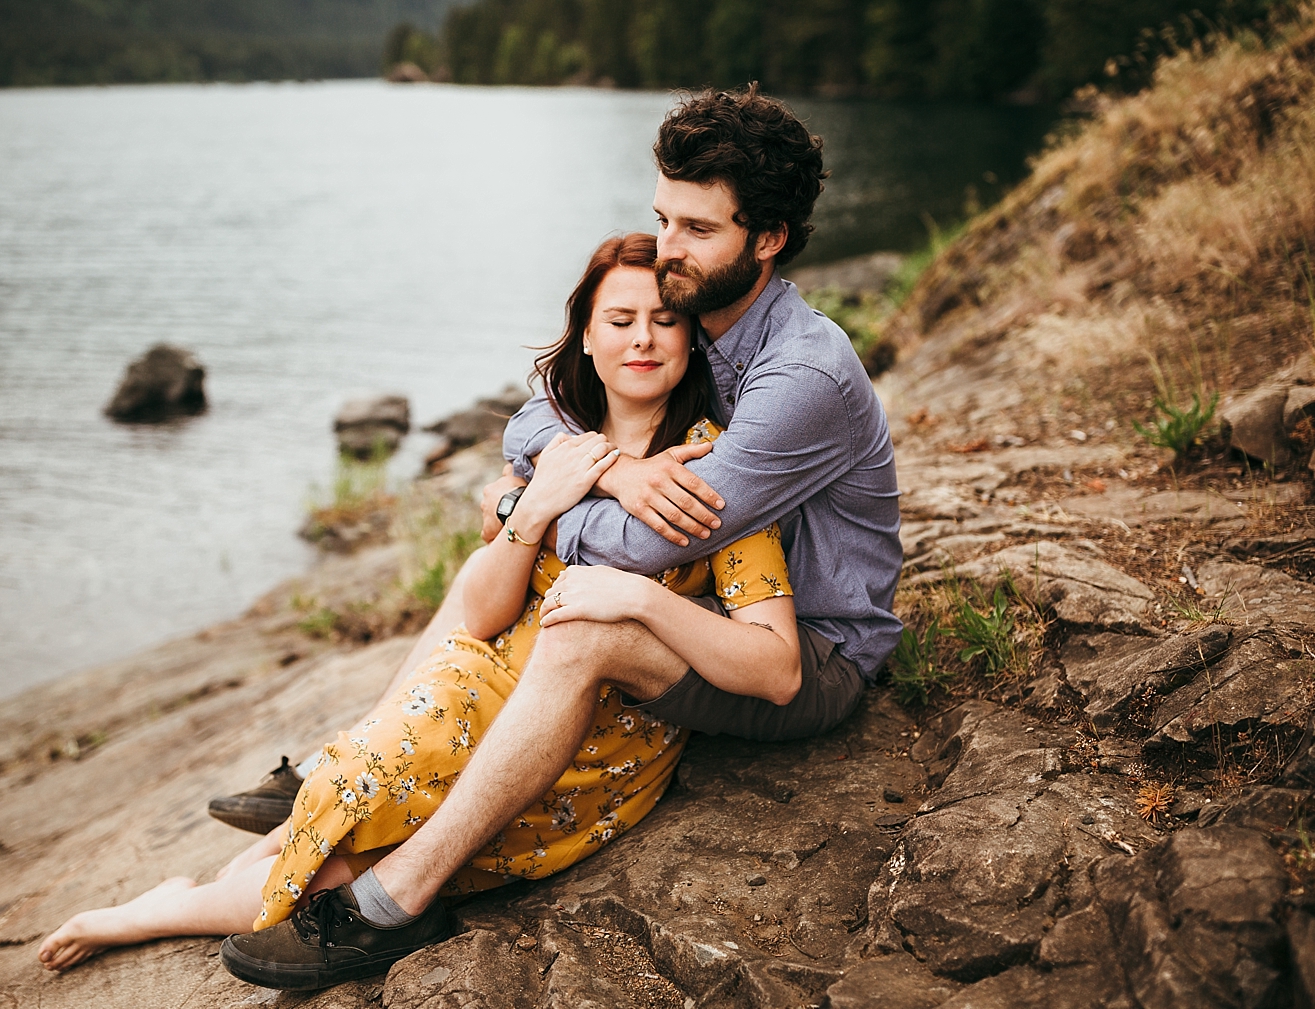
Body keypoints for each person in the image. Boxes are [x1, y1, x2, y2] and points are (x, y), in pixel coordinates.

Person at [207, 83, 902, 991]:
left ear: (764, 239)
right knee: (491, 569)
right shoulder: (702, 306)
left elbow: (637, 548)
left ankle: (391, 902)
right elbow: (541, 413)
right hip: (715, 610)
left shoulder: (799, 373)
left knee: (587, 624)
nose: (666, 247)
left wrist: (523, 508)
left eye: (696, 226)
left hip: (801, 654)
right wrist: (603, 468)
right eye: (663, 217)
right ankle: (358, 754)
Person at [37, 232, 804, 986]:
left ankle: (161, 910)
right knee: (355, 791)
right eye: (619, 320)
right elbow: (485, 607)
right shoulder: (560, 445)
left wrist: (641, 599)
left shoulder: (711, 468)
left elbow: (775, 666)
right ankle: (220, 877)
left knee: (333, 868)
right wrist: (531, 509)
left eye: (664, 321)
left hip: (588, 746)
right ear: (586, 338)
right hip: (480, 685)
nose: (642, 339)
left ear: (691, 340)